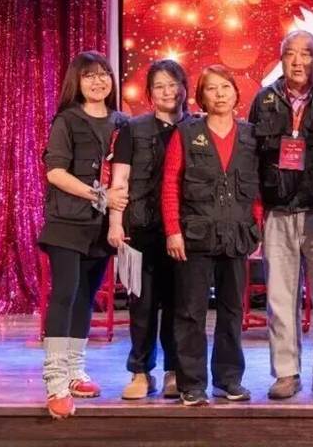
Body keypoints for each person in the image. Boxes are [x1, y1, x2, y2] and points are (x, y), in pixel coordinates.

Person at [248, 31, 313, 401]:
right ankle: (286, 373)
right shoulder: (264, 99)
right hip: (278, 210)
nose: (298, 61)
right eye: (291, 54)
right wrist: (257, 211)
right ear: (281, 58)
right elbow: (253, 159)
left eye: (307, 54)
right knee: (279, 297)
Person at [161, 65, 263, 407]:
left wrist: (256, 227)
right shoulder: (186, 133)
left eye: (225, 87)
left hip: (237, 235)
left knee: (232, 311)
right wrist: (173, 231)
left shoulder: (250, 135)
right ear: (200, 97)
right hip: (195, 236)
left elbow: (257, 189)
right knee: (191, 311)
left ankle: (228, 379)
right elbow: (170, 184)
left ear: (236, 93)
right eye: (211, 88)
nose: (219, 94)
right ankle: (192, 383)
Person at [39, 51, 128, 419]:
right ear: (76, 81)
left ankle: (76, 371)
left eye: (104, 74)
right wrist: (98, 195)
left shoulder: (122, 122)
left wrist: (114, 213)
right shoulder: (67, 120)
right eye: (89, 75)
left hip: (100, 226)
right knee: (65, 294)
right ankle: (56, 381)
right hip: (66, 221)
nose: (98, 81)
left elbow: (124, 175)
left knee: (85, 299)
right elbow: (55, 173)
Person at [108, 59, 189, 400]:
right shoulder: (132, 129)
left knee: (178, 304)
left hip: (182, 231)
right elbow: (120, 180)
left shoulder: (195, 128)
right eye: (159, 86)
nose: (167, 91)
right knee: (140, 305)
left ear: (184, 88)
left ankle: (173, 370)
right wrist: (115, 223)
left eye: (173, 84)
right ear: (150, 93)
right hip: (138, 230)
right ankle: (141, 372)